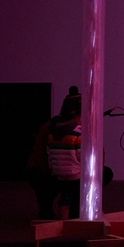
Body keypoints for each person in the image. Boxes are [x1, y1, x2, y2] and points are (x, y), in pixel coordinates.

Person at [47, 86, 82, 219]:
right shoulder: (77, 132)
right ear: (76, 114)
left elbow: (49, 154)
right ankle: (74, 220)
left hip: (59, 173)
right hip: (75, 174)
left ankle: (63, 220)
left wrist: (54, 168)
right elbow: (81, 156)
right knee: (77, 197)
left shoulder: (53, 131)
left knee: (65, 196)